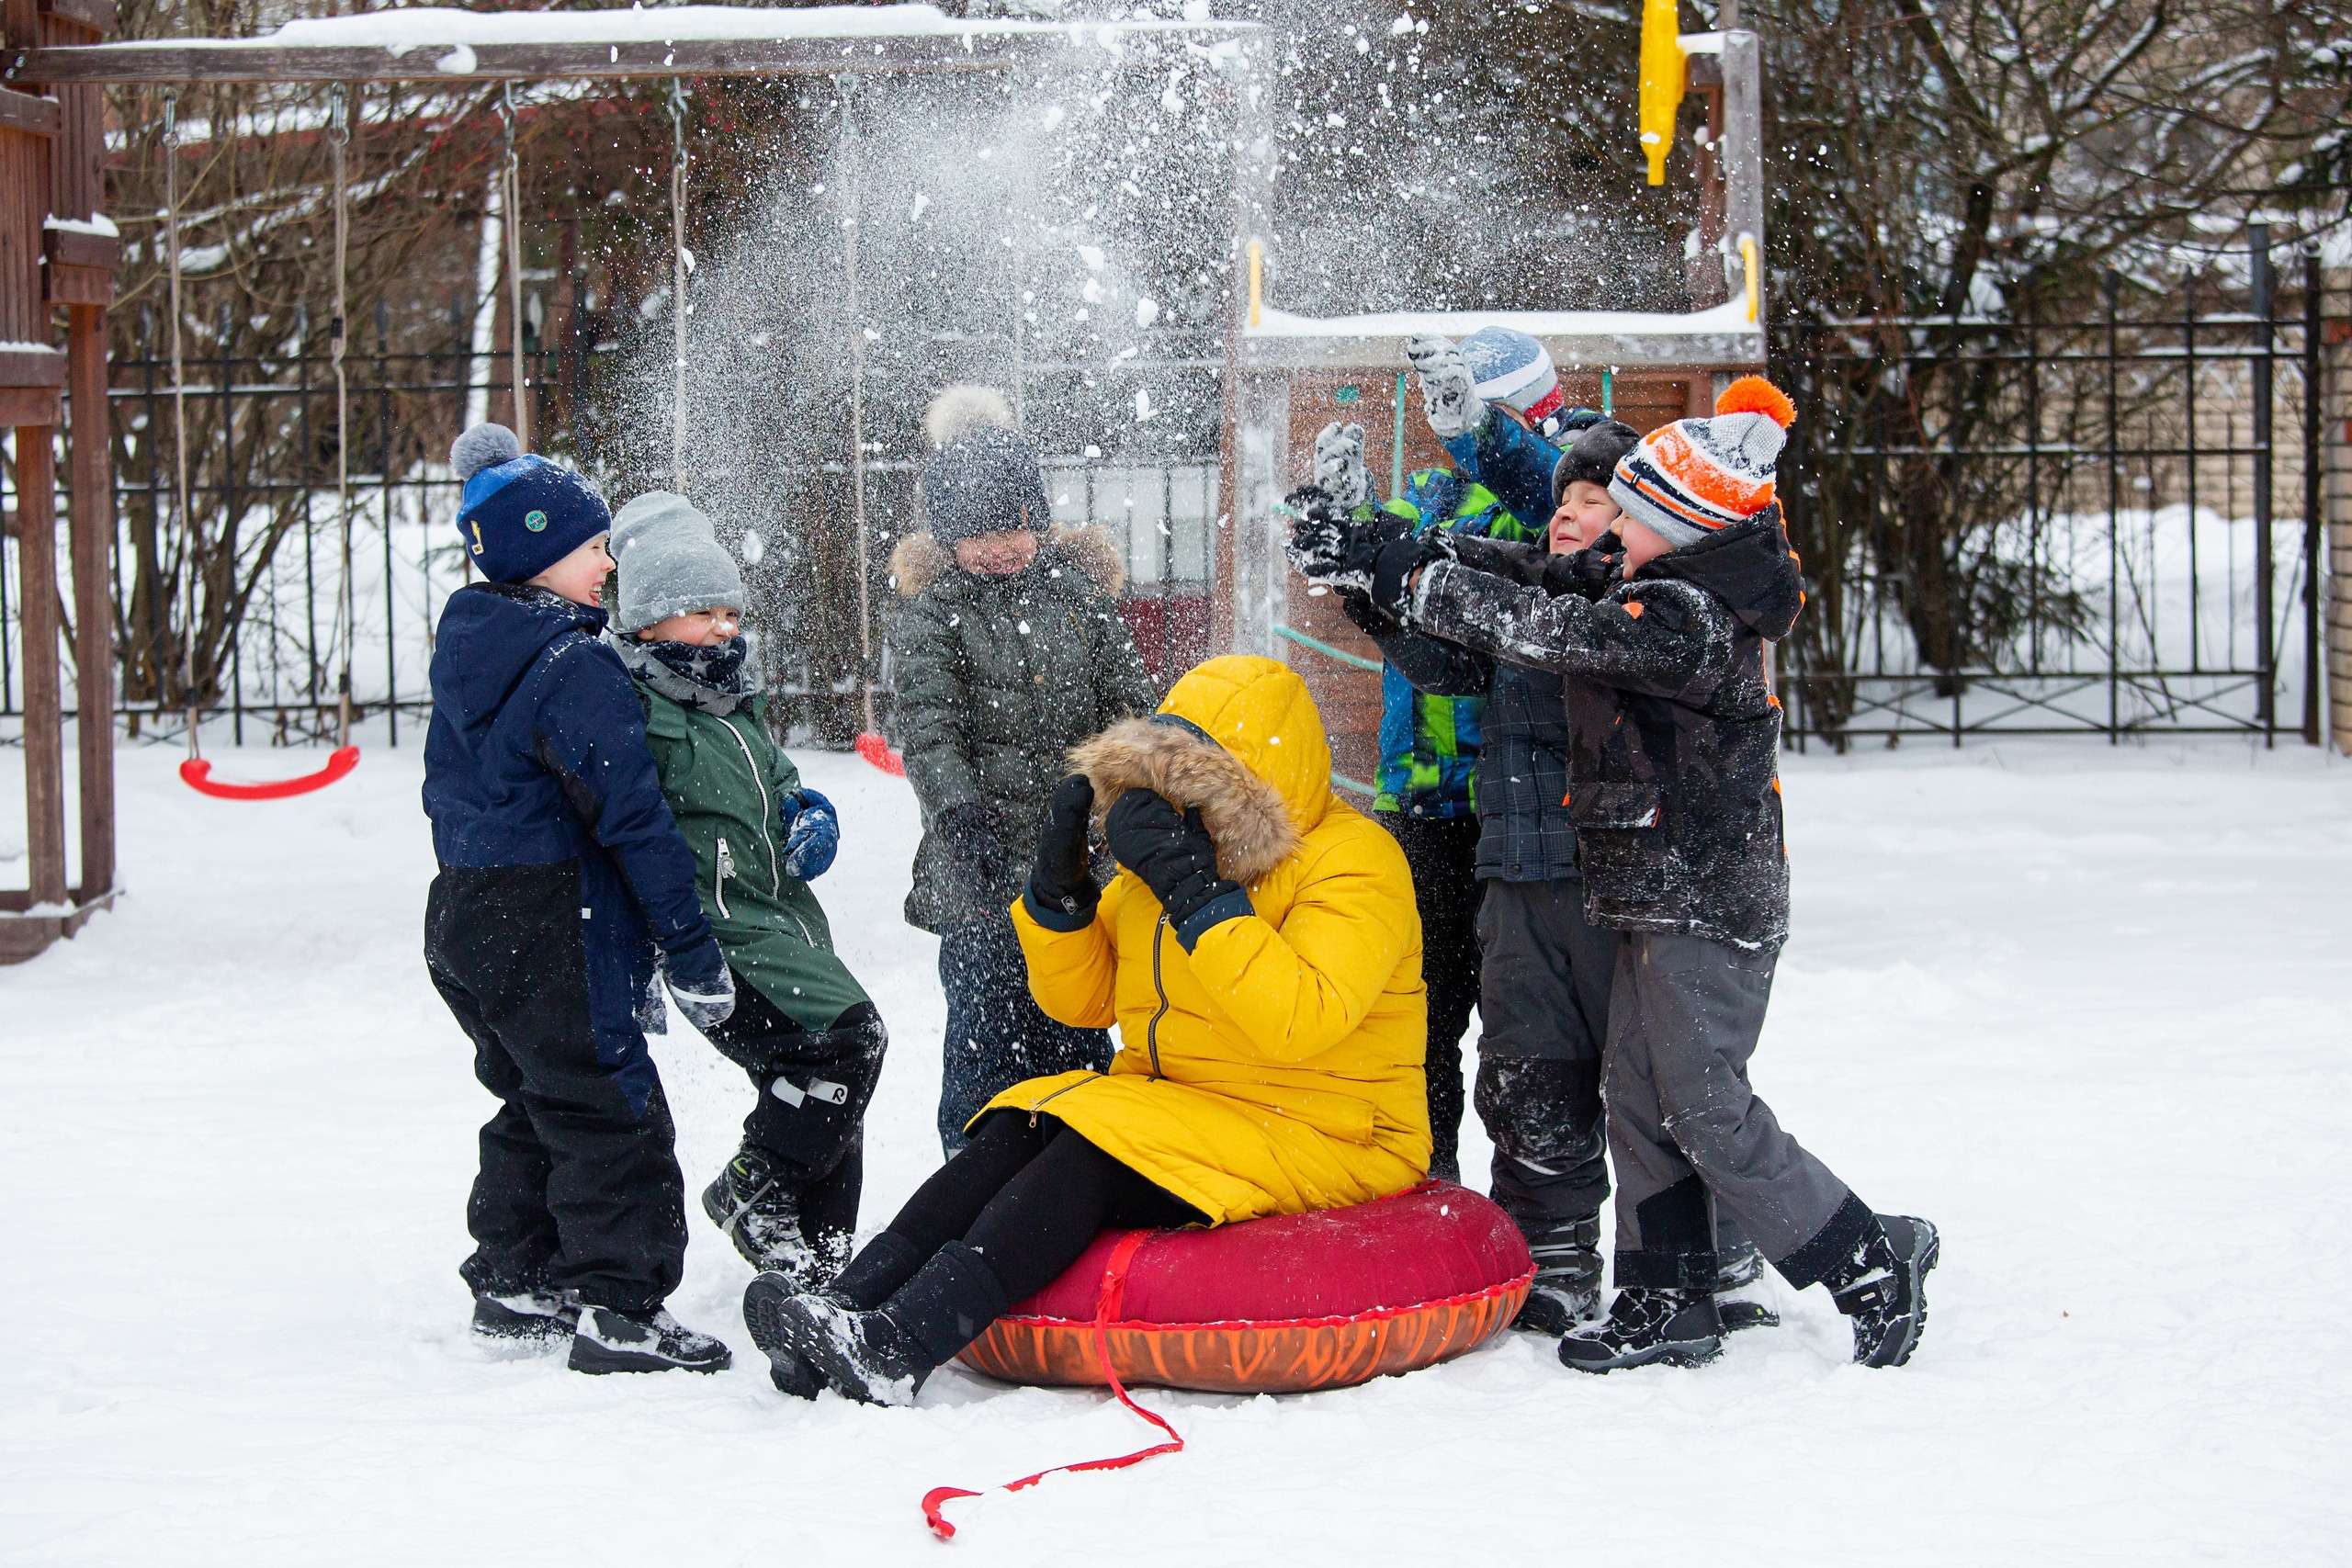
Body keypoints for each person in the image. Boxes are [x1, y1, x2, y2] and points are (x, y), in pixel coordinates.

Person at [1311, 378, 1941, 1372]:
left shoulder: (1682, 617)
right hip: (1649, 892)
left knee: (1700, 1106)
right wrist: (1383, 555)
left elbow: (1551, 627)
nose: (1602, 536)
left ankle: (1867, 1252)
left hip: (1705, 898)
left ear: (1676, 526)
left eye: (1627, 517)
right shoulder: (1648, 582)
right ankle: (1663, 1295)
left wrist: (1418, 578)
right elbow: (1530, 570)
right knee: (1647, 1099)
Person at [742, 656, 1430, 1404]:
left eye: (1196, 782)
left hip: (1328, 1127)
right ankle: (848, 1302)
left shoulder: (1355, 862)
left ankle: (900, 1343)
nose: (1174, 800)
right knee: (1021, 1124)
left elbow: (1302, 1017)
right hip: (1197, 1106)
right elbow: (1088, 1000)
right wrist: (1058, 896)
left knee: (1097, 1153)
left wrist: (1199, 897)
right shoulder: (1177, 851)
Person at [422, 423, 734, 1376]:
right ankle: (621, 1308)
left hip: (468, 911)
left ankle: (516, 1280)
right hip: (558, 915)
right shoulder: (575, 665)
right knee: (609, 1109)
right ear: (541, 550)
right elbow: (630, 818)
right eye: (593, 546)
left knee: (531, 1095)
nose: (608, 563)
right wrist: (687, 945)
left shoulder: (474, 644)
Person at [603, 491, 886, 1290]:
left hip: (781, 921)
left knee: (823, 1086)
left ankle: (819, 1266)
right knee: (849, 1040)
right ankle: (753, 1190)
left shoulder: (736, 703)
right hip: (717, 934)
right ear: (650, 621)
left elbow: (780, 783)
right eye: (702, 611)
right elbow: (624, 823)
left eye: (729, 609)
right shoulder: (639, 706)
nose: (723, 627)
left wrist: (810, 812)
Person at [887, 385, 1158, 1155]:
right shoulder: (934, 614)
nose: (1001, 547)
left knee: (1073, 1023)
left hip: (1073, 861)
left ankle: (1074, 1165)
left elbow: (1129, 702)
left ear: (1038, 522)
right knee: (984, 1029)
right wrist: (959, 812)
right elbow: (931, 728)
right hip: (978, 864)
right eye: (980, 535)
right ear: (949, 539)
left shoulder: (1078, 598)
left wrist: (1145, 770)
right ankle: (972, 1166)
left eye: (1014, 527)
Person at [1290, 416, 1536, 1182]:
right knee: (1418, 1017)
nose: (1450, 423)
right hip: (1416, 803)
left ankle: (1529, 1215)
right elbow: (1392, 555)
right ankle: (1428, 1183)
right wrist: (1353, 516)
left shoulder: (1539, 512)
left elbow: (1463, 612)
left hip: (1508, 805)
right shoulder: (1431, 498)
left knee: (1523, 1031)